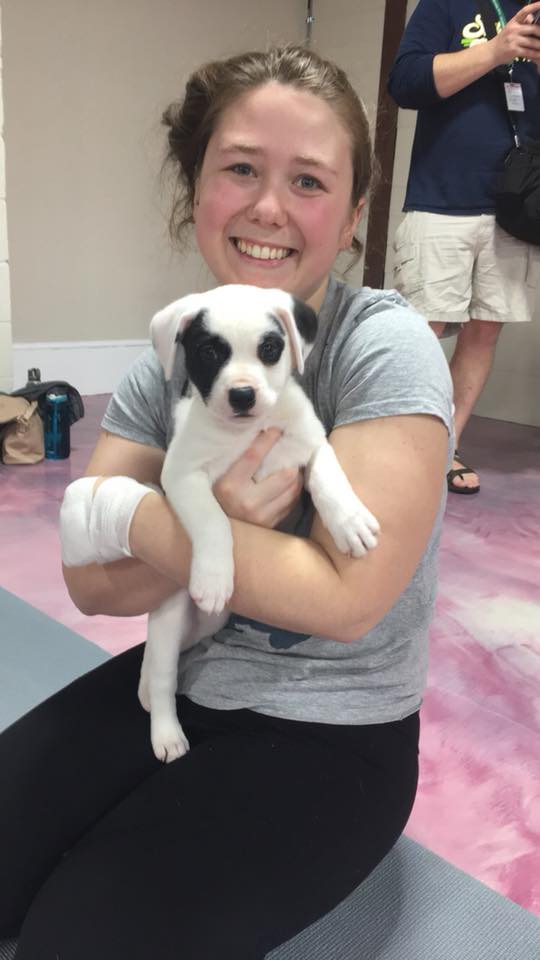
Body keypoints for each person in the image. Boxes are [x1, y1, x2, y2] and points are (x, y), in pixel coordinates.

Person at [0, 45, 453, 960]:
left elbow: (347, 599)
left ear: (354, 216)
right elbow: (91, 584)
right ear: (195, 186)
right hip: (181, 679)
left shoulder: (382, 346)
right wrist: (197, 526)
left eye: (309, 181)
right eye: (241, 168)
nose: (268, 207)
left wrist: (132, 517)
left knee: (75, 941)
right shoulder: (165, 363)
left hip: (337, 729)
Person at [388, 0, 540, 494]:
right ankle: (386, 446)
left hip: (516, 206)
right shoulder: (447, 3)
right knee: (419, 333)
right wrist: (496, 51)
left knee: (484, 333)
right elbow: (405, 83)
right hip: (442, 199)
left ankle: (444, 447)